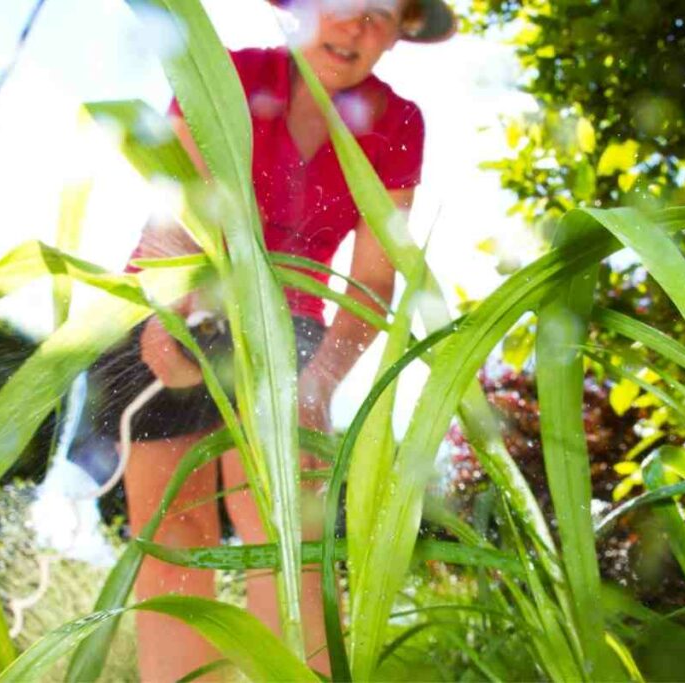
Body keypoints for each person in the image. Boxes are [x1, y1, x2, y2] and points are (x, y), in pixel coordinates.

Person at [119, 1, 456, 679]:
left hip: (293, 332)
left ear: (399, 36)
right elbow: (177, 214)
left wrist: (321, 379)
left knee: (288, 533)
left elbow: (371, 279)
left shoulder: (396, 124)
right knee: (173, 536)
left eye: (384, 15)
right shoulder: (233, 76)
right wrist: (167, 318)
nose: (359, 26)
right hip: (179, 305)